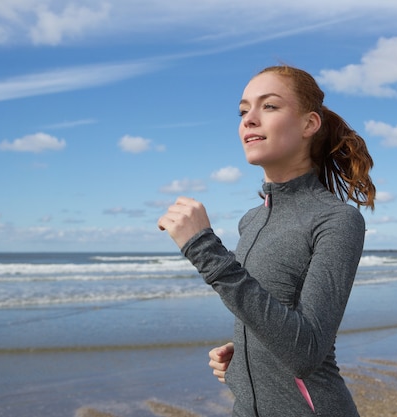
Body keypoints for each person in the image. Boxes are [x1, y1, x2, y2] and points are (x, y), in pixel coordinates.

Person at [158, 65, 376, 416]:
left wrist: (203, 247)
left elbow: (306, 351)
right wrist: (247, 356)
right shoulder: (252, 220)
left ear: (309, 124)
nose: (249, 119)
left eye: (269, 106)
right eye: (243, 111)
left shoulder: (337, 220)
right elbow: (274, 317)